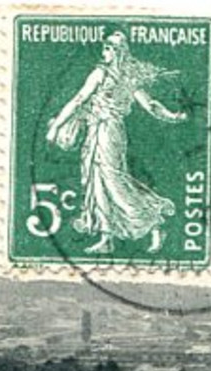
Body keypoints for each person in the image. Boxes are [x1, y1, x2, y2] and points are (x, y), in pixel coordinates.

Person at [45, 31, 187, 254]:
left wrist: (171, 116)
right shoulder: (106, 73)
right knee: (97, 181)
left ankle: (153, 223)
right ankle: (106, 236)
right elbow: (79, 100)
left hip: (109, 132)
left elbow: (150, 104)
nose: (105, 51)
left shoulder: (119, 76)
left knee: (113, 181)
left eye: (110, 47)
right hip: (97, 130)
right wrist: (57, 126)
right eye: (105, 46)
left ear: (120, 52)